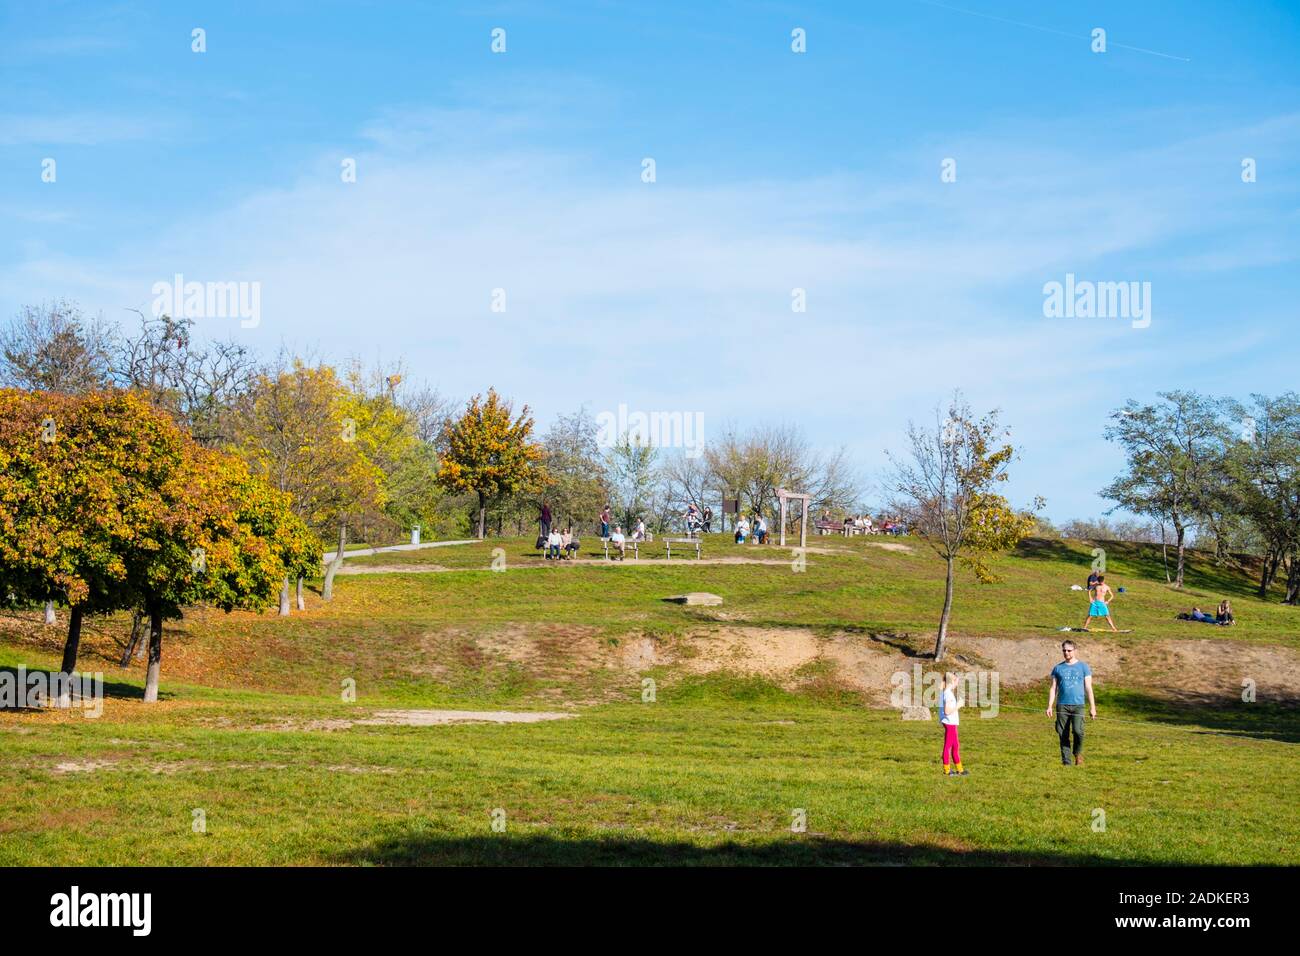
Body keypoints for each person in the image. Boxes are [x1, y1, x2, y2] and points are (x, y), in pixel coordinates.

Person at [1047, 640, 1096, 766]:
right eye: (1064, 650)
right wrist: (1050, 706)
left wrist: (1092, 707)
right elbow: (1053, 688)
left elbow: (1088, 688)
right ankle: (1066, 761)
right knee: (1062, 733)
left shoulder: (1083, 667)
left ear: (1075, 650)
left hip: (1078, 706)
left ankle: (1078, 753)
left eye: (1069, 650)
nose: (1066, 653)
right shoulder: (1058, 668)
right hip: (1062, 705)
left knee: (1078, 731)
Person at [940, 672, 966, 776]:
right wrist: (958, 706)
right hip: (950, 723)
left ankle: (960, 770)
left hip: (951, 723)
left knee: (956, 746)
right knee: (948, 746)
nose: (957, 685)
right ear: (952, 682)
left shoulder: (946, 692)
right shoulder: (948, 694)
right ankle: (947, 771)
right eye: (957, 682)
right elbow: (947, 711)